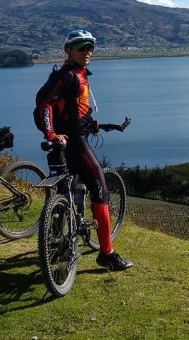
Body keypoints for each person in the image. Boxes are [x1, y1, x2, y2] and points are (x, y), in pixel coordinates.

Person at [34, 29, 134, 271]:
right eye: (81, 47)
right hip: (74, 143)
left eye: (90, 48)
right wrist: (51, 133)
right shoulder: (69, 76)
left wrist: (101, 126)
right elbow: (45, 103)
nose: (87, 52)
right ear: (68, 50)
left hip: (65, 141)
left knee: (66, 192)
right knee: (100, 188)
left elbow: (75, 111)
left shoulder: (76, 74)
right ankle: (107, 254)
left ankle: (58, 245)